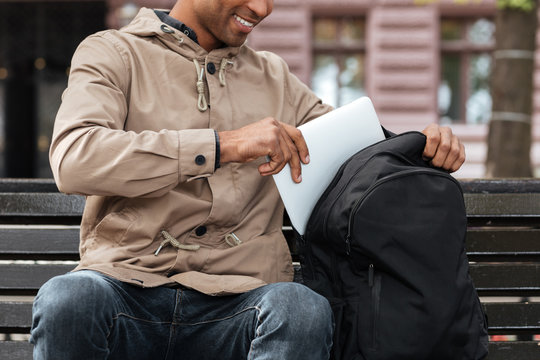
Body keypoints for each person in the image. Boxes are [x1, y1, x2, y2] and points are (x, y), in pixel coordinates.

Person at [30, 0, 466, 359]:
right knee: (68, 300)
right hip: (125, 286)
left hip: (241, 303)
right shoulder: (112, 52)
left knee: (300, 309)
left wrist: (419, 144)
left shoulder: (274, 77)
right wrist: (223, 145)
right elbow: (75, 157)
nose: (262, 8)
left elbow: (359, 151)